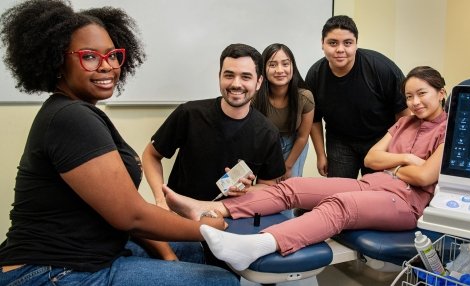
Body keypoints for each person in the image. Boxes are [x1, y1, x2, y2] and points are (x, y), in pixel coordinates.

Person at [0, 1, 238, 285]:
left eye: (113, 55)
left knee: (193, 252)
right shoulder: (70, 117)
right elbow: (131, 217)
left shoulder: (81, 112)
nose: (107, 66)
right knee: (219, 280)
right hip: (49, 270)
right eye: (89, 56)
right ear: (57, 60)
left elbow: (124, 209)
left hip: (89, 254)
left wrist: (170, 255)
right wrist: (208, 228)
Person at [164, 66, 448, 272]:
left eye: (421, 94)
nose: (414, 103)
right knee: (294, 186)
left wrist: (394, 166)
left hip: (407, 203)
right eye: (409, 97)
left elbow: (425, 177)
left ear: (442, 93)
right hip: (373, 183)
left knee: (340, 205)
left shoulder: (449, 131)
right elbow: (372, 159)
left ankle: (258, 245)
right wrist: (408, 161)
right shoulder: (403, 123)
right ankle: (208, 208)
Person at [142, 43, 285, 208]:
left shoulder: (268, 133)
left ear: (259, 82)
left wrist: (247, 191)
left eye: (246, 77)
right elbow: (151, 155)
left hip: (230, 219)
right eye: (229, 75)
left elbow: (268, 185)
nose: (236, 84)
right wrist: (161, 200)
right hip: (180, 215)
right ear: (219, 76)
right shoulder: (188, 114)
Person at [306, 15, 411, 179]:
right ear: (322, 43)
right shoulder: (315, 74)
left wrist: (397, 153)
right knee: (339, 194)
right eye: (333, 43)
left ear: (356, 44)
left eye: (347, 43)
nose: (340, 49)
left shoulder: (381, 68)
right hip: (340, 141)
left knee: (376, 195)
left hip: (380, 139)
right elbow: (314, 119)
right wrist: (321, 155)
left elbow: (404, 114)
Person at [253, 43, 314, 180]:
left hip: (295, 144)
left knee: (290, 188)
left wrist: (288, 166)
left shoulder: (304, 97)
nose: (280, 70)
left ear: (293, 66)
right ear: (263, 69)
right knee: (266, 189)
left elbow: (303, 136)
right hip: (266, 145)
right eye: (273, 65)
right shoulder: (254, 97)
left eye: (285, 64)